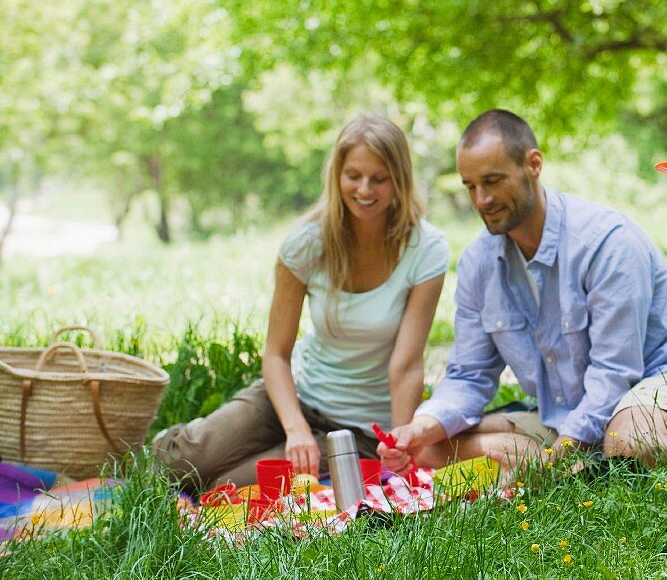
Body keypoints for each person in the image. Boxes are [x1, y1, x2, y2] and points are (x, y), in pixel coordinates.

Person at [379, 109, 667, 474]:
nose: (481, 199)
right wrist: (421, 427)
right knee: (432, 450)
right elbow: (469, 375)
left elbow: (615, 372)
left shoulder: (604, 242)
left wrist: (564, 449)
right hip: (580, 406)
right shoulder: (477, 263)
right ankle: (578, 457)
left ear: (533, 165)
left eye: (493, 181)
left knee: (629, 441)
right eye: (470, 186)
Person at [152, 115, 449, 490]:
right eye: (353, 175)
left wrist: (397, 445)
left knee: (222, 488)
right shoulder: (307, 245)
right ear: (337, 175)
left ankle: (249, 459)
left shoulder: (426, 249)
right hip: (293, 399)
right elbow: (276, 354)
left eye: (380, 178)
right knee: (180, 466)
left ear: (400, 180)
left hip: (359, 431)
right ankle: (178, 440)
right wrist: (295, 429)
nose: (364, 189)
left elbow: (405, 366)